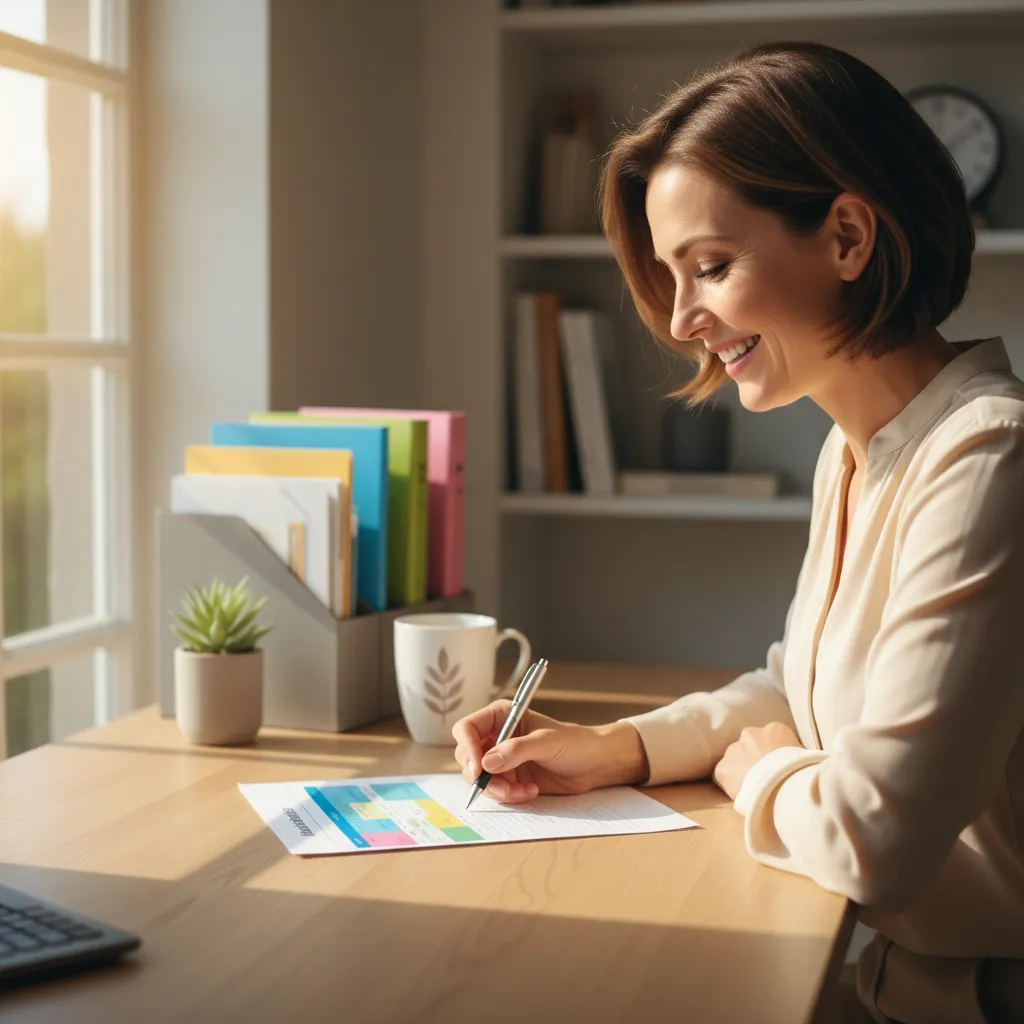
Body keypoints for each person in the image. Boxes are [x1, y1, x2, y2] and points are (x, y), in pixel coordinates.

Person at [452, 42, 1024, 1023]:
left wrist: (759, 772)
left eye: (709, 267)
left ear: (847, 236)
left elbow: (871, 835)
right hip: (883, 984)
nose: (681, 319)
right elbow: (801, 687)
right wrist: (620, 748)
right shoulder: (859, 451)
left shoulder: (988, 463)